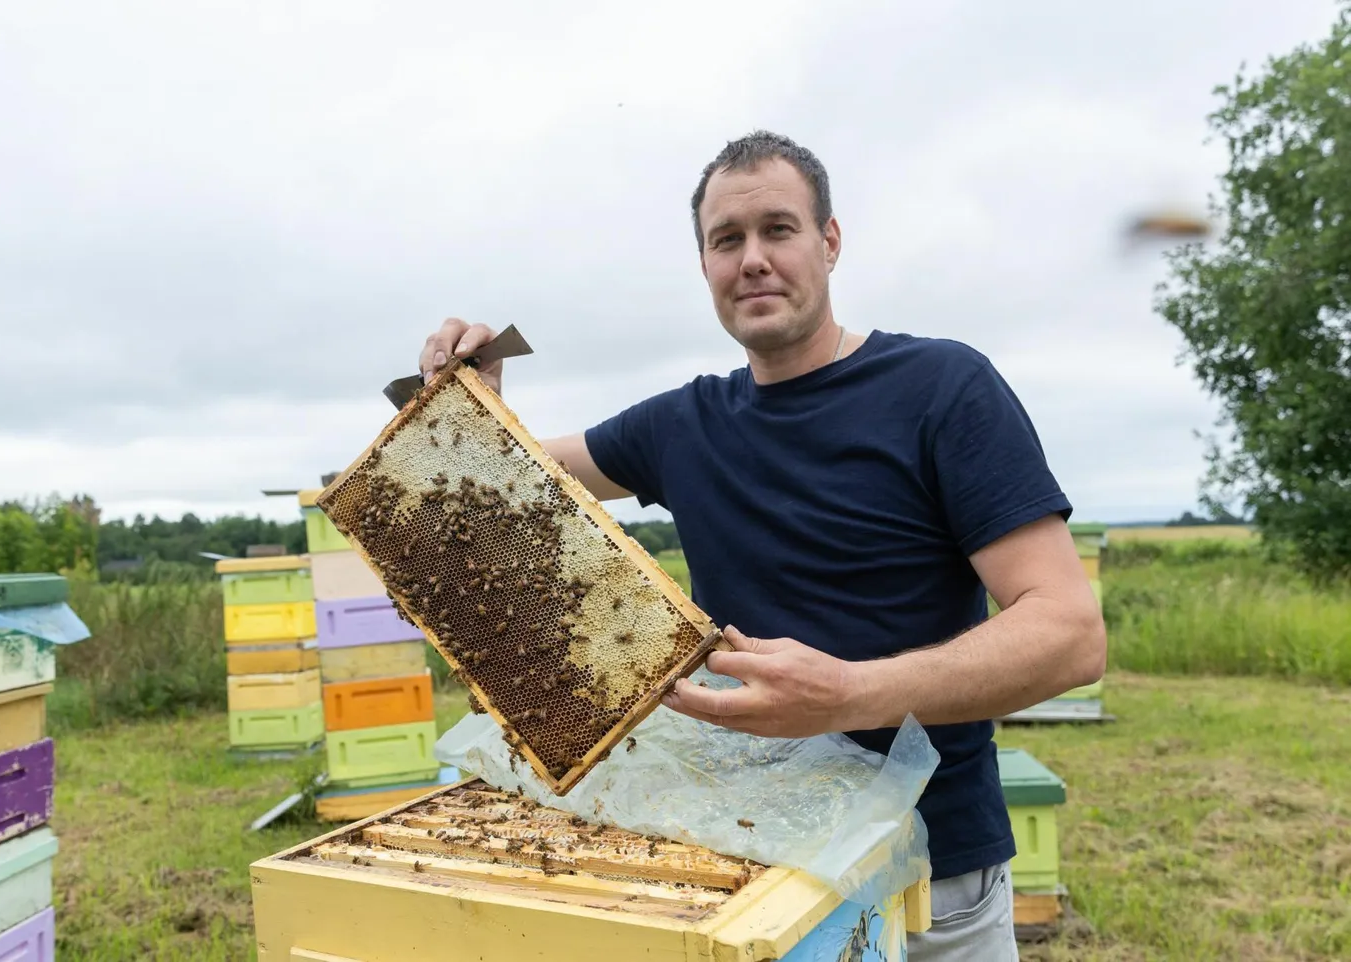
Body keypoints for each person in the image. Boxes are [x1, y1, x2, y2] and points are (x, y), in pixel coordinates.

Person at [416, 130, 1106, 961]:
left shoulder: (944, 390)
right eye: (726, 240)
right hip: (745, 871)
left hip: (930, 884)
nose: (753, 259)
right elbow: (499, 479)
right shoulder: (682, 423)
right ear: (704, 264)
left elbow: (1070, 634)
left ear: (830, 241)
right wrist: (471, 405)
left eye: (778, 229)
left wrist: (850, 693)